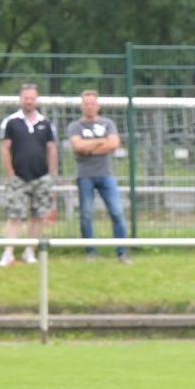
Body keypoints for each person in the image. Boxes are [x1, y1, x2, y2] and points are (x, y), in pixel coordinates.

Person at [0, 83, 56, 267]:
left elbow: (51, 149)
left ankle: (29, 251)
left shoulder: (46, 123)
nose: (29, 101)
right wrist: (10, 173)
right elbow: (4, 148)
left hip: (41, 177)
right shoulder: (11, 122)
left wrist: (51, 175)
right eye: (26, 98)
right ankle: (8, 253)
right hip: (18, 178)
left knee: (38, 216)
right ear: (20, 99)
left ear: (36, 99)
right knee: (14, 215)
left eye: (32, 98)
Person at [69, 89, 129, 262]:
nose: (89, 106)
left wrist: (89, 148)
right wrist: (101, 141)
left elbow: (114, 144)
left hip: (106, 174)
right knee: (86, 215)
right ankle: (90, 252)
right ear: (82, 106)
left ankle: (122, 253)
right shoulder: (75, 126)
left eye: (92, 103)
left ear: (98, 106)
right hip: (85, 175)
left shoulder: (108, 123)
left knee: (117, 212)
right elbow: (78, 147)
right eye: (86, 103)